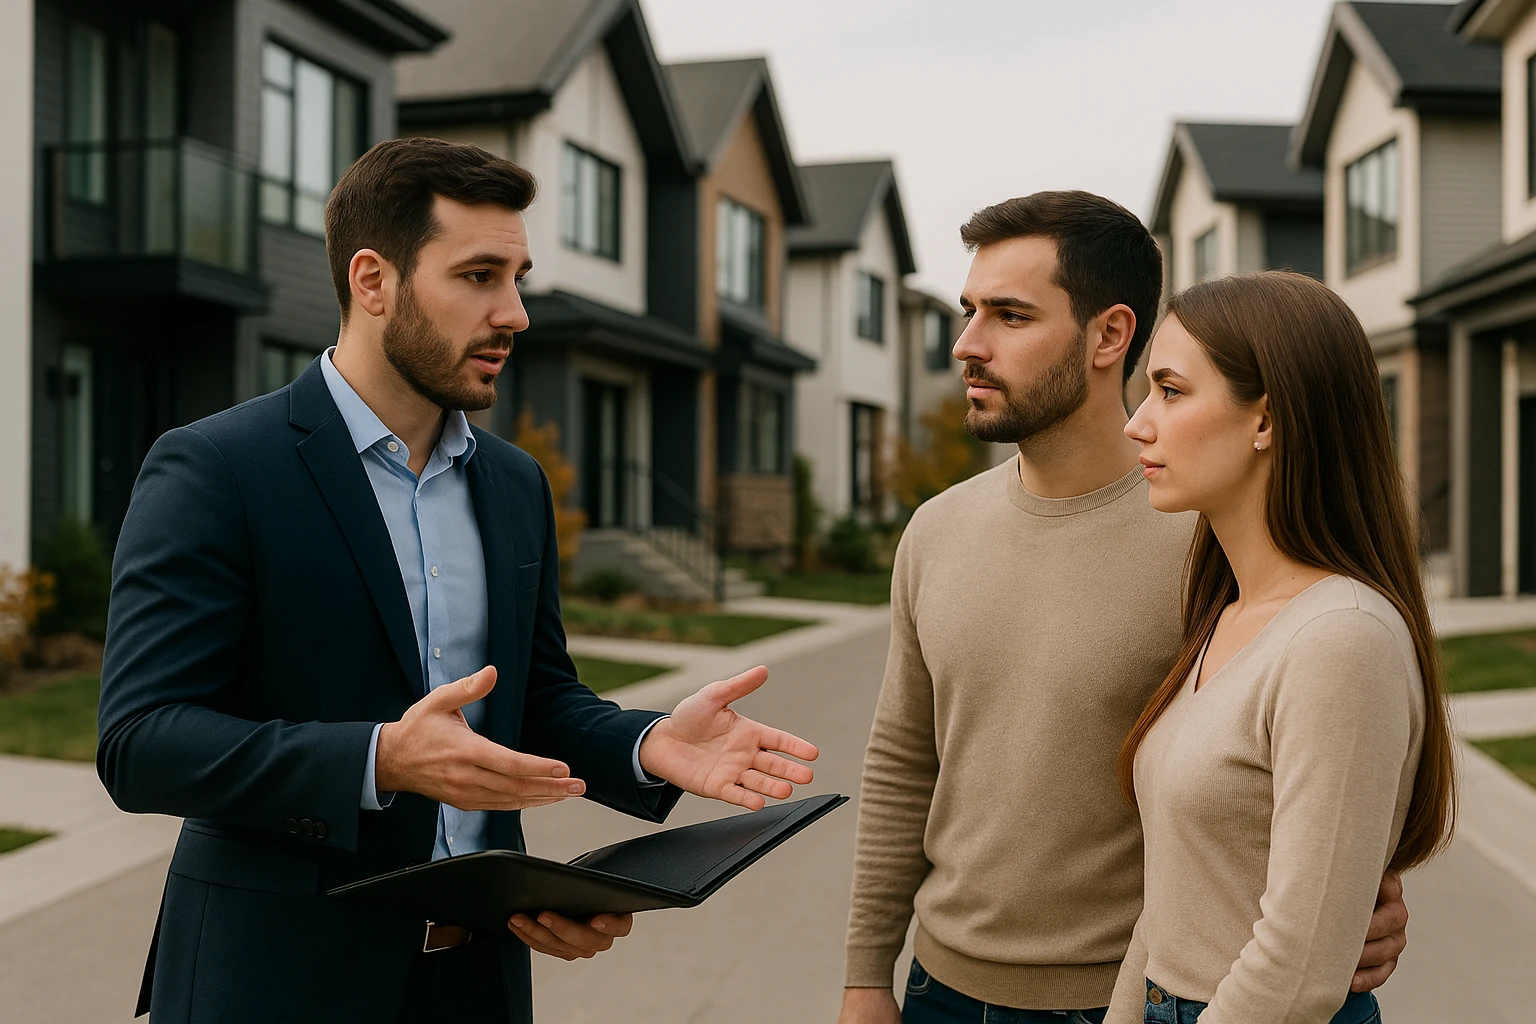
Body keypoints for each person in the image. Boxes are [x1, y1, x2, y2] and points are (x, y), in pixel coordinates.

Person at [96, 137, 819, 1024]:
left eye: (517, 277)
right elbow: (141, 742)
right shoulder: (216, 468)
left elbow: (539, 700)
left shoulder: (513, 483)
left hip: (476, 981)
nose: (514, 312)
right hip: (272, 981)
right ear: (374, 281)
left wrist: (648, 743)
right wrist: (381, 758)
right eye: (479, 275)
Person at [836, 193, 1409, 1024]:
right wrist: (864, 973)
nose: (968, 344)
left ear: (1109, 336)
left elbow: (1329, 762)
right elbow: (901, 761)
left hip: (1138, 994)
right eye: (968, 311)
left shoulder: (1212, 538)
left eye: (1009, 314)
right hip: (942, 989)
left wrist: (1348, 905)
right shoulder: (934, 531)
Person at [1105, 271, 1455, 1024]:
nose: (1137, 423)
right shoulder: (1224, 617)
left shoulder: (1341, 639)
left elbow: (1295, 974)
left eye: (1169, 390)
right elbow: (1170, 904)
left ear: (1266, 419)